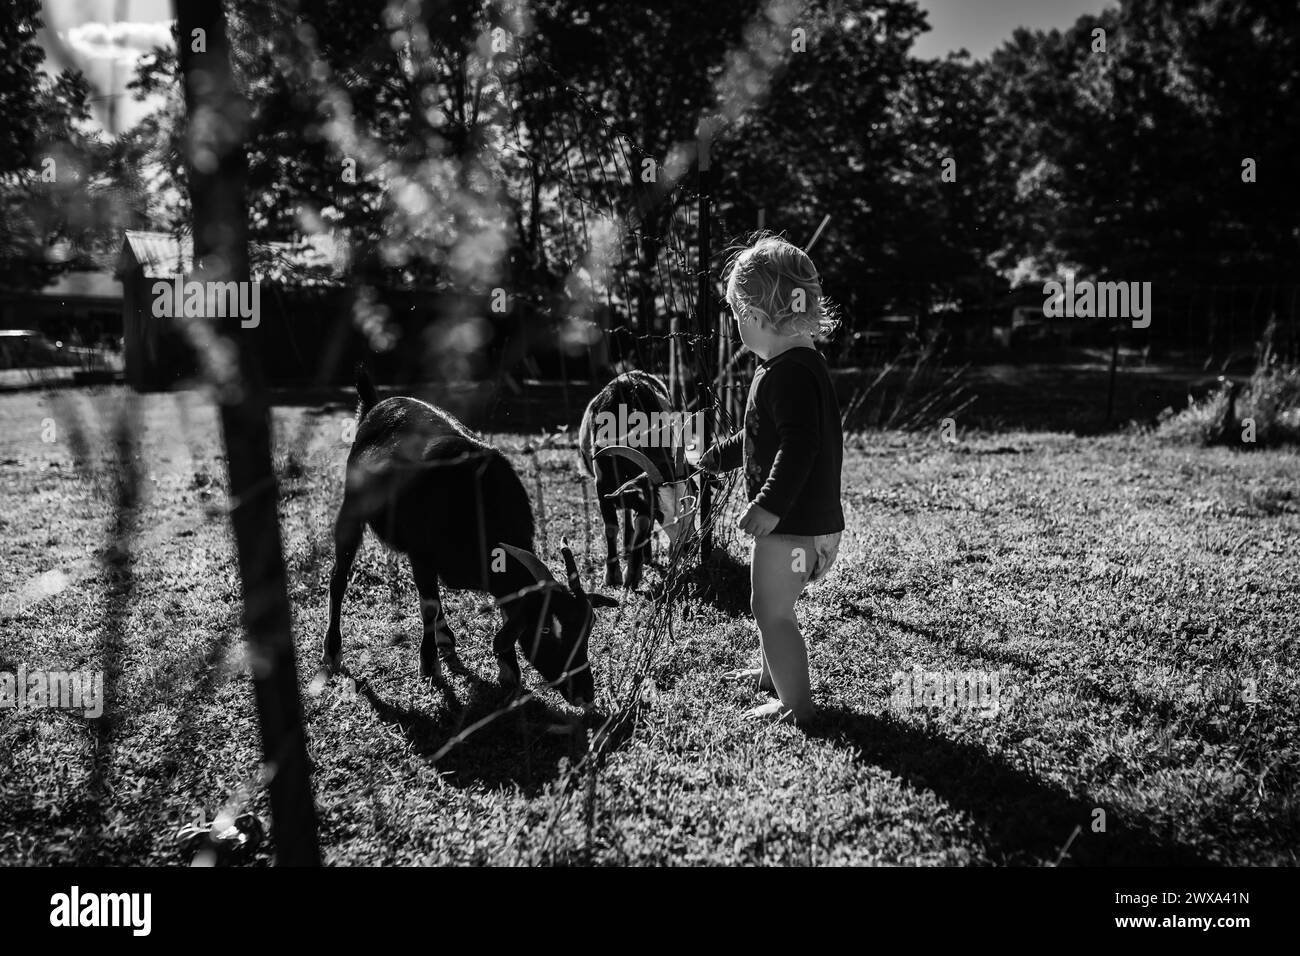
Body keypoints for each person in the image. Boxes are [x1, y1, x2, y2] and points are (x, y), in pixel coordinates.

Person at [700, 234, 844, 724]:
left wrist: (769, 504)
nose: (737, 326)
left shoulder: (786, 375)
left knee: (771, 610)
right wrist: (717, 459)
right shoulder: (801, 366)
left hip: (793, 525)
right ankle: (771, 675)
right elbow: (763, 436)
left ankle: (796, 704)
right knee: (772, 603)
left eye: (737, 316)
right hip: (811, 525)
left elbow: (800, 447)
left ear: (758, 319)